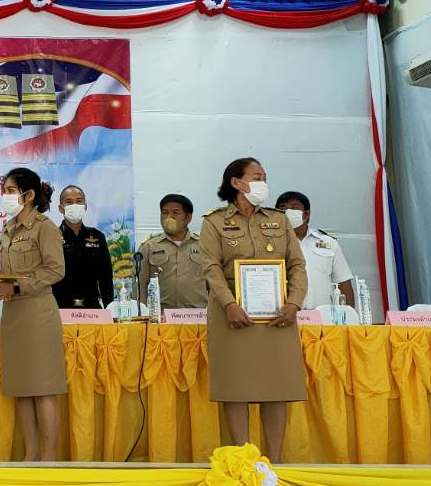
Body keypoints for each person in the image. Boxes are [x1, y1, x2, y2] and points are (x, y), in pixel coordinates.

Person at [200, 158, 308, 460]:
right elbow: (211, 268)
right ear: (236, 183)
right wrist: (229, 304)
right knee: (236, 388)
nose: (263, 183)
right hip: (233, 316)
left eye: (264, 177)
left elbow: (297, 265)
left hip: (277, 315)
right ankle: (243, 459)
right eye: (257, 177)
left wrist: (294, 303)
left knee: (276, 389)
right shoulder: (214, 222)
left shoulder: (278, 220)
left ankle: (274, 462)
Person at [0, 167, 67, 461]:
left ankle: (49, 458)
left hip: (38, 314)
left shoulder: (45, 227)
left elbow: (56, 270)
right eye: (3, 190)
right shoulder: (8, 229)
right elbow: (11, 274)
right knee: (22, 388)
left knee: (42, 388)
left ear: (28, 195)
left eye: (10, 190)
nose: (5, 196)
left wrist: (17, 286)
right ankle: (31, 456)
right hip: (13, 315)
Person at [274, 191, 355, 310]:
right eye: (283, 208)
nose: (288, 211)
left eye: (294, 207)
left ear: (306, 213)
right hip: (286, 315)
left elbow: (343, 281)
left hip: (323, 316)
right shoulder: (271, 244)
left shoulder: (328, 242)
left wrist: (348, 316)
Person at [135, 193, 207, 310]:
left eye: (175, 213)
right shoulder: (148, 247)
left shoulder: (204, 245)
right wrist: (140, 314)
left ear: (188, 218)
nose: (169, 217)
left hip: (198, 315)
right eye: (165, 213)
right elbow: (139, 286)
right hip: (161, 315)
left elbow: (214, 284)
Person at [52, 185, 114, 309]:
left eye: (79, 201)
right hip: (60, 308)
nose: (74, 205)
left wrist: (110, 309)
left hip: (92, 308)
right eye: (69, 202)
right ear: (61, 208)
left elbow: (105, 278)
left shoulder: (97, 236)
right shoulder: (52, 236)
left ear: (85, 207)